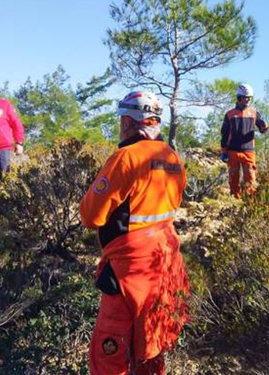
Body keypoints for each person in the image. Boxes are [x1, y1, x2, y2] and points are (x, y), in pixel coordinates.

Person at [80, 91, 190, 375]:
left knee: (110, 353)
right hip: (165, 263)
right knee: (151, 344)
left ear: (129, 121)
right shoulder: (173, 158)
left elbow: (91, 216)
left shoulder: (126, 157)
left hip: (128, 271)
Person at [220, 83, 268, 198]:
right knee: (233, 179)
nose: (247, 100)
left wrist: (264, 126)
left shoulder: (254, 113)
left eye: (249, 98)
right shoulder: (230, 114)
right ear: (239, 97)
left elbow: (263, 129)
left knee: (250, 180)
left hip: (249, 152)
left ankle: (249, 203)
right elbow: (224, 134)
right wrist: (223, 151)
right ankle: (234, 201)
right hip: (233, 151)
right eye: (245, 98)